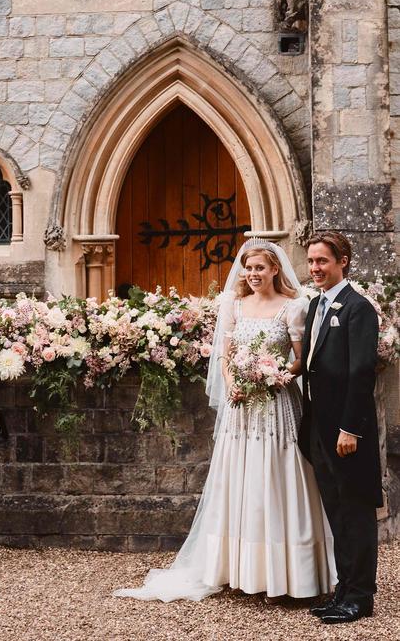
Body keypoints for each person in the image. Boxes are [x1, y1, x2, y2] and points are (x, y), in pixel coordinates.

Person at [114, 238, 334, 603]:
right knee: (241, 480)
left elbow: (300, 359)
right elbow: (224, 357)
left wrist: (274, 376)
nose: (253, 274)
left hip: (277, 405)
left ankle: (288, 573)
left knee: (278, 480)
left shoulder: (293, 308)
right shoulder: (234, 304)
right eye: (248, 268)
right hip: (241, 409)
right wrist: (235, 384)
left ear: (275, 269)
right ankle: (238, 569)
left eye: (260, 268)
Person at [299, 231, 382, 624]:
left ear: (343, 261)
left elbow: (362, 372)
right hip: (320, 428)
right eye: (311, 261)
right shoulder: (316, 305)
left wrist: (350, 428)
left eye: (322, 261)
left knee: (356, 512)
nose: (315, 268)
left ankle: (361, 597)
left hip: (348, 434)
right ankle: (343, 589)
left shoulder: (358, 308)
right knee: (336, 512)